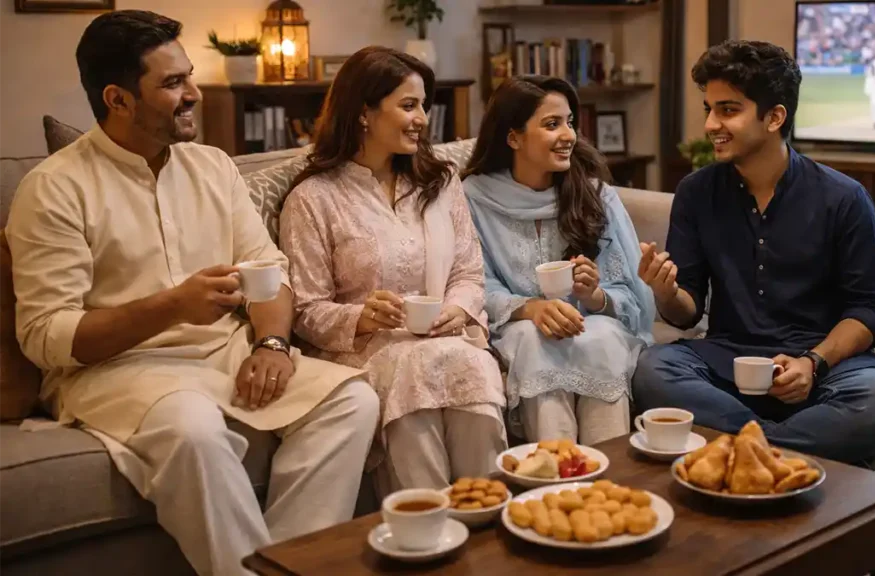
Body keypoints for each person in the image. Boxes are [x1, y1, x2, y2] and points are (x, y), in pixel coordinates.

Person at [6, 11, 379, 576]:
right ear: (118, 98)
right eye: (173, 83)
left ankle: (283, 566)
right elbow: (46, 338)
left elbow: (270, 272)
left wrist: (272, 345)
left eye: (189, 77)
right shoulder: (54, 189)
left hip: (224, 355)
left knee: (353, 400)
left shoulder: (213, 167)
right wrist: (172, 306)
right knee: (194, 430)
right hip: (115, 372)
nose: (194, 95)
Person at [631, 40, 875, 464]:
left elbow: (869, 311)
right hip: (729, 359)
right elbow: (687, 313)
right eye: (709, 109)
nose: (710, 124)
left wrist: (812, 363)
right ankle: (779, 451)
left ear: (775, 117)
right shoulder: (696, 193)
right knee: (653, 369)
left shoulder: (844, 198)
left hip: (822, 365)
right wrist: (665, 290)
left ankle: (742, 447)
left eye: (728, 110)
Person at [279, 46, 507, 494]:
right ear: (364, 112)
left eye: (424, 105)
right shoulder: (313, 199)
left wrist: (457, 311)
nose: (422, 118)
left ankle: (489, 513)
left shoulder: (440, 184)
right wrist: (359, 317)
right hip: (367, 353)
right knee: (413, 366)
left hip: (445, 340)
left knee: (465, 361)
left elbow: (468, 273)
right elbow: (304, 309)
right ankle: (426, 527)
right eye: (408, 105)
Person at [462, 76, 655, 446]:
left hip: (595, 325)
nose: (568, 135)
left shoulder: (595, 195)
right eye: (552, 124)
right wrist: (530, 308)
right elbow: (473, 281)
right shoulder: (473, 198)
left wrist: (595, 295)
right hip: (519, 327)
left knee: (603, 337)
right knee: (533, 340)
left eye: (569, 122)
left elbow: (634, 296)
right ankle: (553, 484)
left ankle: (609, 486)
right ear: (513, 137)